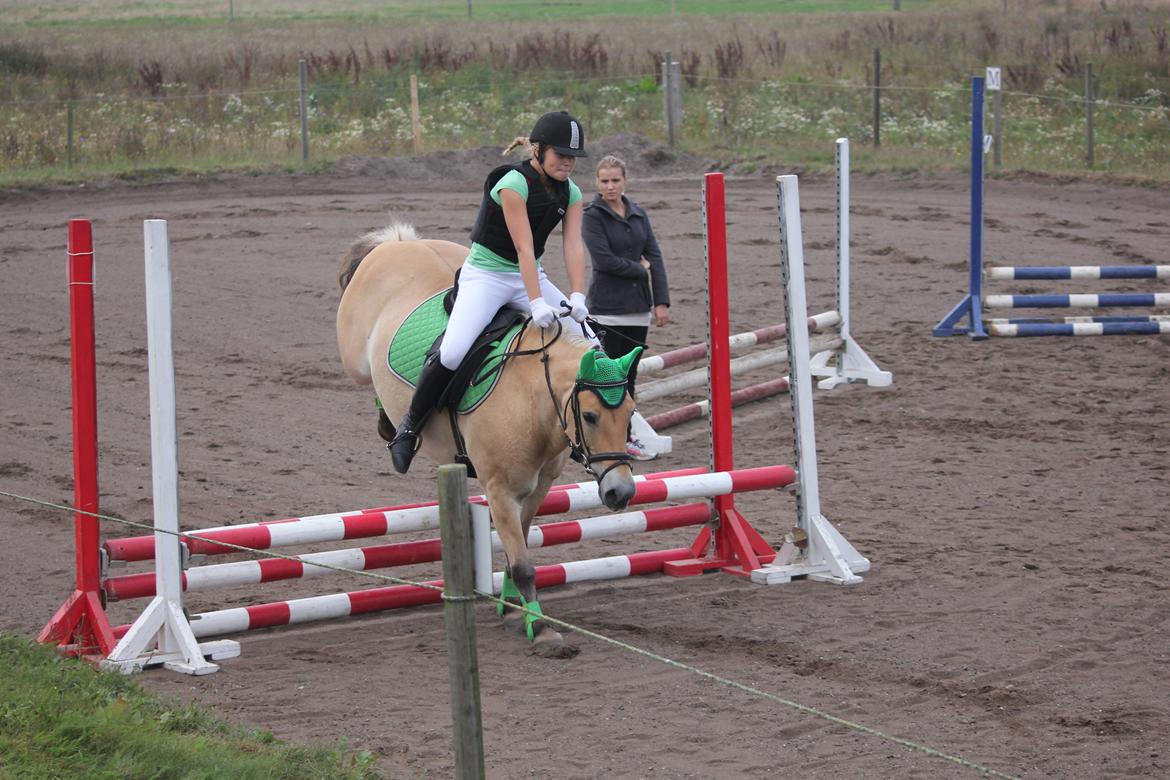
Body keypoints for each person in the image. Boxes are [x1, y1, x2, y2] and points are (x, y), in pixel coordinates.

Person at [388, 110, 593, 474]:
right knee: (452, 351)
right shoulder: (513, 184)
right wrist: (535, 302)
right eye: (561, 154)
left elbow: (574, 246)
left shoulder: (571, 191)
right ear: (539, 150)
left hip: (531, 274)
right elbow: (523, 248)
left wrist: (578, 296)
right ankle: (408, 427)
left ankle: (587, 431)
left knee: (593, 344)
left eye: (573, 156)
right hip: (486, 276)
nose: (568, 162)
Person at [583, 154, 671, 461]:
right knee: (609, 378)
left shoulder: (638, 213)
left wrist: (661, 300)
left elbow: (655, 257)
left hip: (637, 309)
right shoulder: (592, 215)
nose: (610, 186)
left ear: (625, 180)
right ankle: (607, 439)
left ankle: (628, 437)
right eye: (604, 180)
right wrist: (639, 268)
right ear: (597, 182)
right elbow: (604, 261)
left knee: (629, 378)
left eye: (615, 180)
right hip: (606, 310)